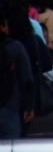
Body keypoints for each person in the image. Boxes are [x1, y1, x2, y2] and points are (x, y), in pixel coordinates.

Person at [0, 9, 35, 140]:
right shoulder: (15, 47)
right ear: (3, 27)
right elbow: (26, 79)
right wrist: (29, 106)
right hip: (9, 106)